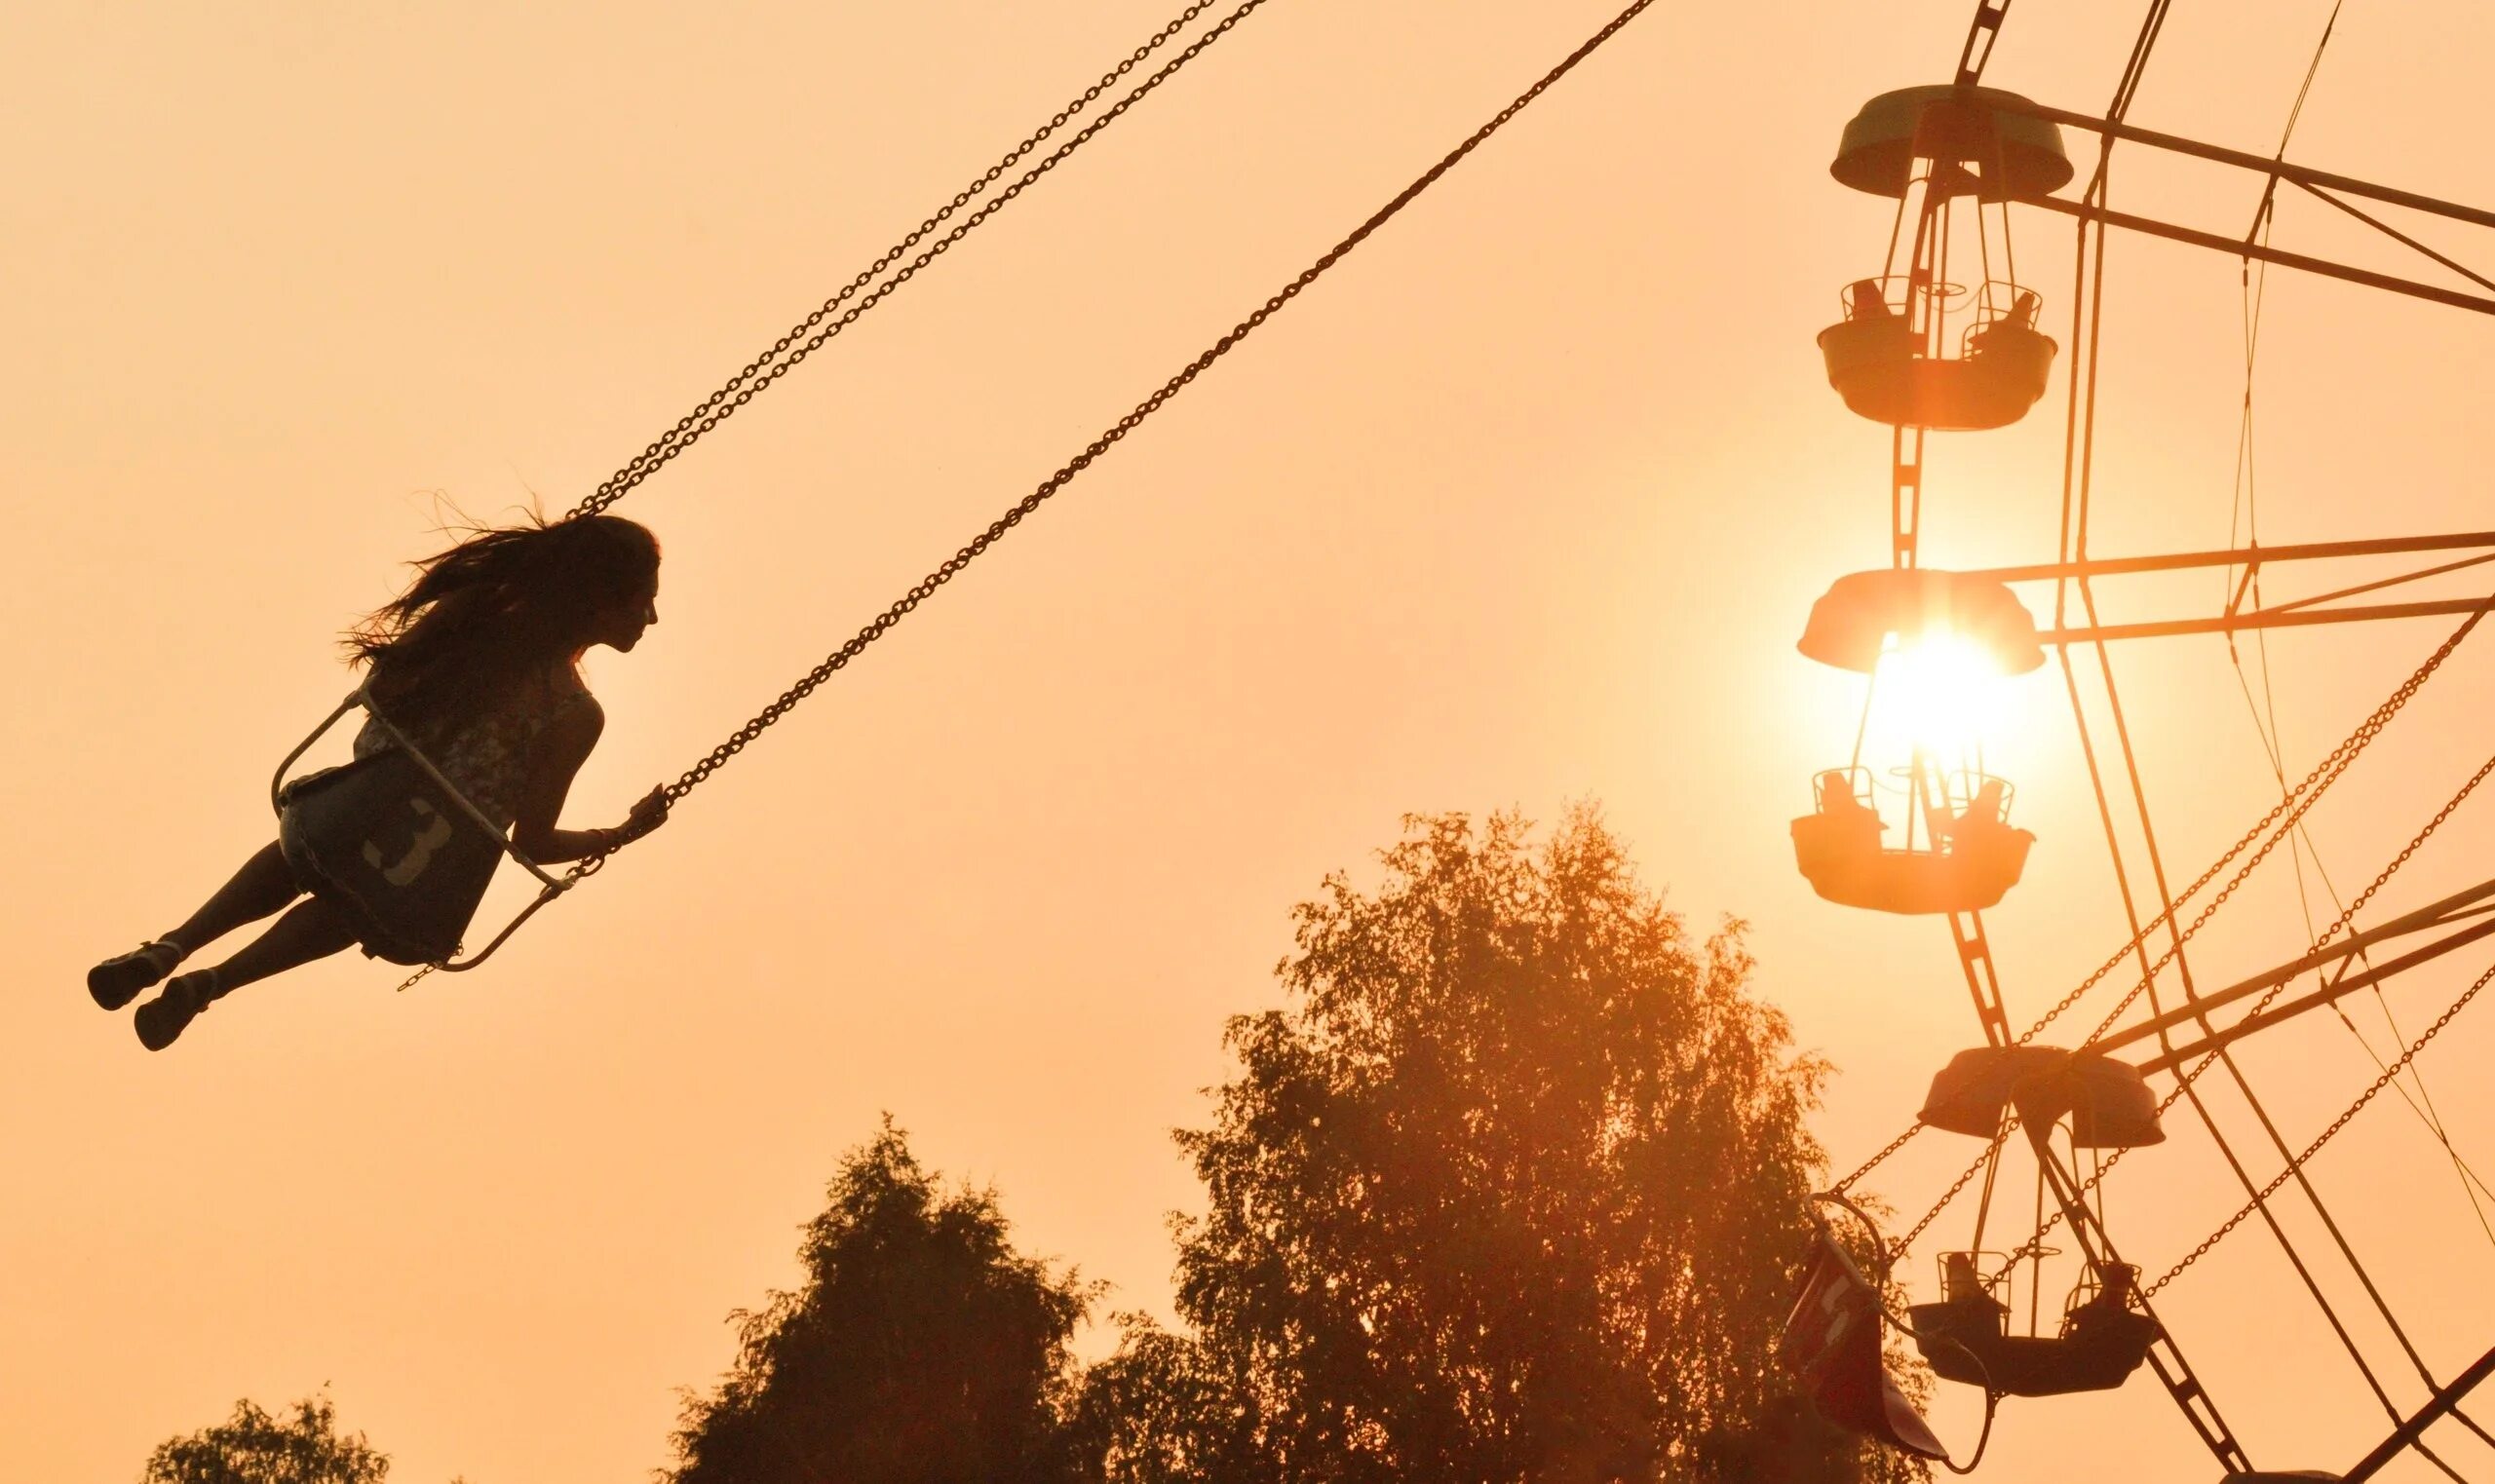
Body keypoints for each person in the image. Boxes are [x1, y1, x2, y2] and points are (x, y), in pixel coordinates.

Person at [86, 514, 671, 1050]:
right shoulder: (573, 714)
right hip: (415, 858)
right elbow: (535, 841)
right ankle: (211, 984)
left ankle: (169, 948)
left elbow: (387, 680)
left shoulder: (476, 621)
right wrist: (619, 832)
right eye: (643, 602)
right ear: (598, 603)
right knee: (359, 909)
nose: (651, 619)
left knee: (304, 855)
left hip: (356, 803)